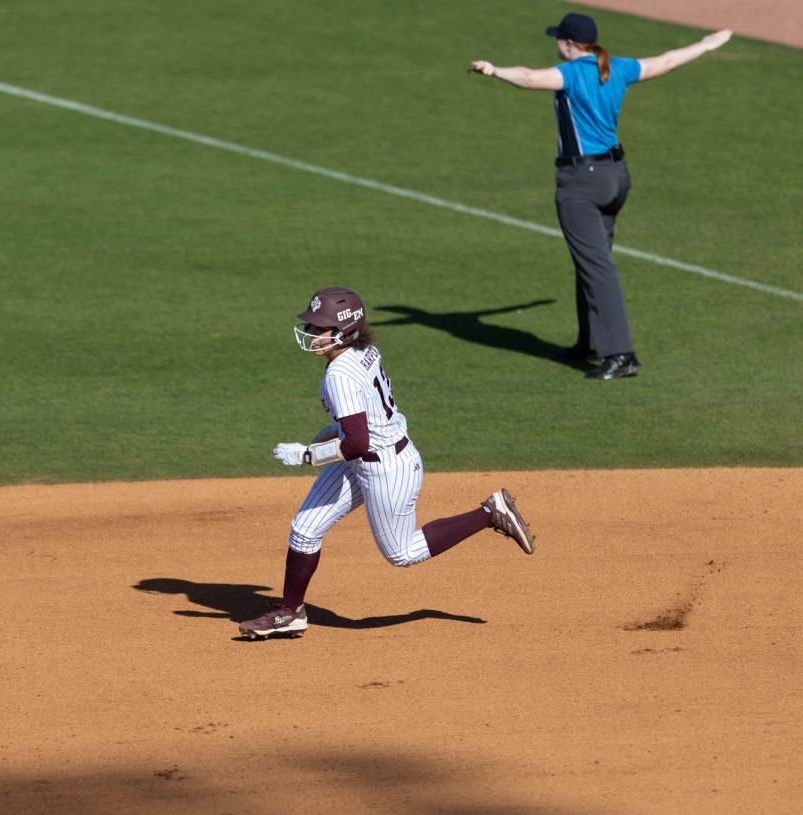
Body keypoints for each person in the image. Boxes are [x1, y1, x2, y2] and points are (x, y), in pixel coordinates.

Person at [238, 287, 534, 640]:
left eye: (321, 328)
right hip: (369, 456)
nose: (313, 335)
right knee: (305, 529)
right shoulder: (364, 351)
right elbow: (365, 416)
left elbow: (359, 443)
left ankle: (489, 512)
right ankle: (291, 612)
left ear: (344, 332)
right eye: (313, 327)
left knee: (402, 553)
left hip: (386, 468)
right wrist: (335, 427)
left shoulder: (339, 375)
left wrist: (305, 454)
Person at [468, 14, 733, 380]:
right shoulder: (619, 67)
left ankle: (622, 354)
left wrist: (493, 70)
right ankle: (590, 342)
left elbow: (529, 78)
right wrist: (704, 45)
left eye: (558, 39)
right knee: (591, 260)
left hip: (581, 182)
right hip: (615, 177)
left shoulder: (573, 73)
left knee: (597, 267)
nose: (556, 44)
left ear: (569, 44)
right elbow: (667, 60)